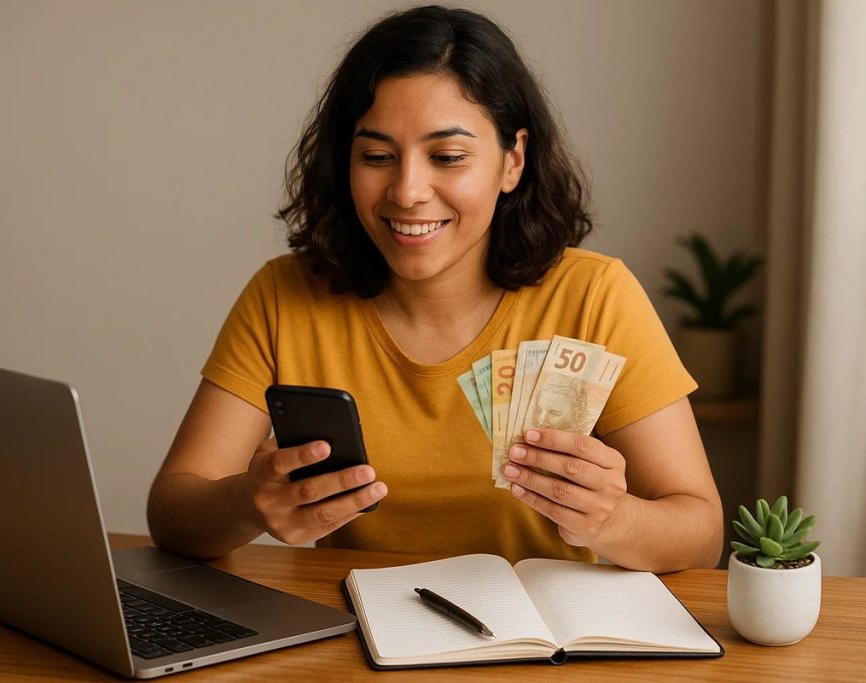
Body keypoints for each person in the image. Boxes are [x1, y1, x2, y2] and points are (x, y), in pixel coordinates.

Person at [148, 5, 722, 573]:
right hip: (350, 641)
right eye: (376, 156)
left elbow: (701, 535)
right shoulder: (283, 295)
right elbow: (173, 512)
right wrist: (251, 502)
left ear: (512, 161)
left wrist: (612, 519)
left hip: (533, 652)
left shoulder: (596, 296)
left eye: (447, 157)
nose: (407, 191)